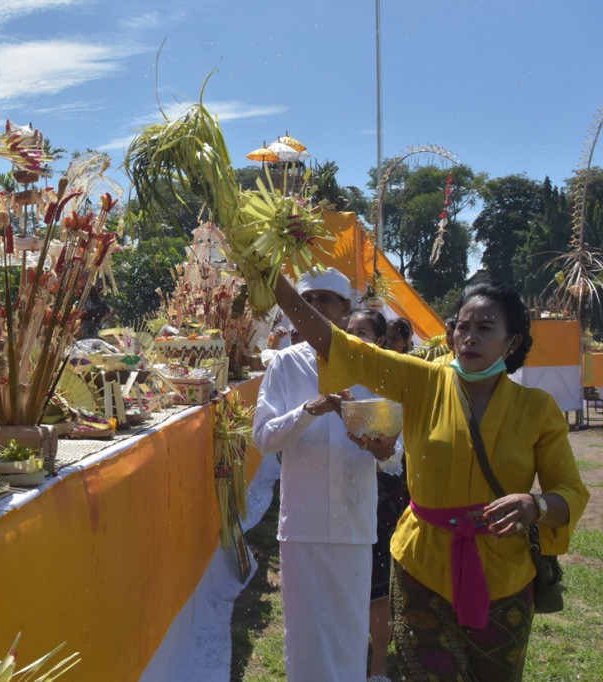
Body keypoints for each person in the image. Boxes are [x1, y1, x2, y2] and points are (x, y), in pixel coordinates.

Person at [270, 273, 589, 681]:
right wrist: (273, 280)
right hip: (420, 568)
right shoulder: (422, 382)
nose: (469, 338)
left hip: (504, 574)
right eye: (463, 327)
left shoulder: (537, 408)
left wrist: (535, 504)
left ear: (513, 343)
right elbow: (341, 346)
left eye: (485, 329)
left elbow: (571, 493)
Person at [252, 268, 400, 681]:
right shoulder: (284, 364)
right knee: (305, 631)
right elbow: (263, 439)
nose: (313, 309)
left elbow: (395, 451)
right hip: (303, 521)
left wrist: (382, 449)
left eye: (324, 300)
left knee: (349, 629)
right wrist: (307, 411)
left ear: (345, 308)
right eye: (307, 300)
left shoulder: (373, 364)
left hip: (355, 521)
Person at [346, 310, 405, 682]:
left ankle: (379, 663)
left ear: (381, 340)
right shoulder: (330, 377)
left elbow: (403, 445)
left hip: (383, 491)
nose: (354, 338)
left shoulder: (393, 379)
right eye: (348, 332)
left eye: (363, 332)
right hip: (340, 493)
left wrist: (383, 453)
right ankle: (348, 652)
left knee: (377, 583)